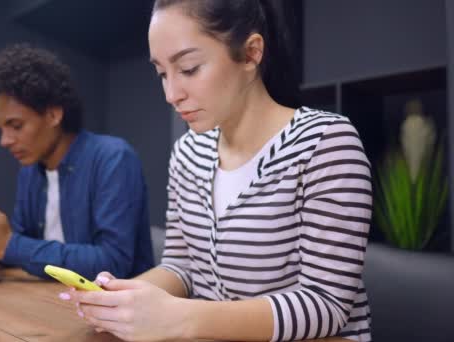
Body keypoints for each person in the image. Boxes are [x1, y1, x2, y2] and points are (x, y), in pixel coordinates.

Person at [62, 1, 372, 341]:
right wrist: (121, 298)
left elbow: (325, 305)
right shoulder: (187, 154)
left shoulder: (325, 143)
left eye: (190, 68)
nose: (171, 94)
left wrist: (181, 318)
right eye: (162, 73)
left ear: (252, 53)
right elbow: (181, 267)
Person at [0, 44, 154, 280]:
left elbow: (113, 263)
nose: (4, 141)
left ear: (54, 115)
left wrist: (9, 244)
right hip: (52, 299)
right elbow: (19, 247)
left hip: (118, 309)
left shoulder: (113, 158)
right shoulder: (31, 170)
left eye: (16, 126)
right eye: (0, 129)